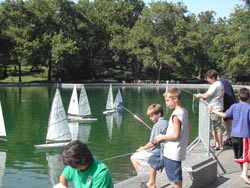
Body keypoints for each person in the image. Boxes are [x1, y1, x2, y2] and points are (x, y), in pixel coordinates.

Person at [209, 87, 250, 184]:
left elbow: (224, 115)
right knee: (246, 156)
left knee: (240, 156)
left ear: (238, 97)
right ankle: (244, 174)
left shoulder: (234, 106)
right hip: (244, 136)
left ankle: (243, 172)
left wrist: (213, 111)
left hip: (234, 135)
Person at [155, 88, 190, 188]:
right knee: (176, 177)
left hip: (172, 153)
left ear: (175, 99)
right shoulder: (184, 111)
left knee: (175, 179)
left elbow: (175, 135)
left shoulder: (175, 115)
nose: (166, 103)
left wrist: (162, 137)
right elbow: (188, 128)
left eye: (167, 100)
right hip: (179, 150)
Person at [130, 104, 168, 178]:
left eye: (152, 116)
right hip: (165, 150)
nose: (150, 118)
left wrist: (142, 148)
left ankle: (142, 177)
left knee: (133, 157)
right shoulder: (167, 122)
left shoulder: (156, 126)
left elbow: (153, 143)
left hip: (157, 152)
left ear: (159, 114)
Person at [194, 69, 224, 150]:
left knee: (214, 127)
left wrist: (199, 95)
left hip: (214, 108)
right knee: (217, 127)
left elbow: (207, 95)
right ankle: (218, 143)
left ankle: (219, 144)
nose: (207, 80)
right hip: (218, 107)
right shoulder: (220, 83)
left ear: (213, 78)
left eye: (208, 78)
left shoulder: (214, 85)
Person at [218, 75, 237, 147]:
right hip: (229, 103)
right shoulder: (224, 81)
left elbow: (224, 94)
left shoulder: (221, 82)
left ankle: (229, 138)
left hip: (228, 104)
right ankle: (229, 137)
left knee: (227, 121)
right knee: (227, 121)